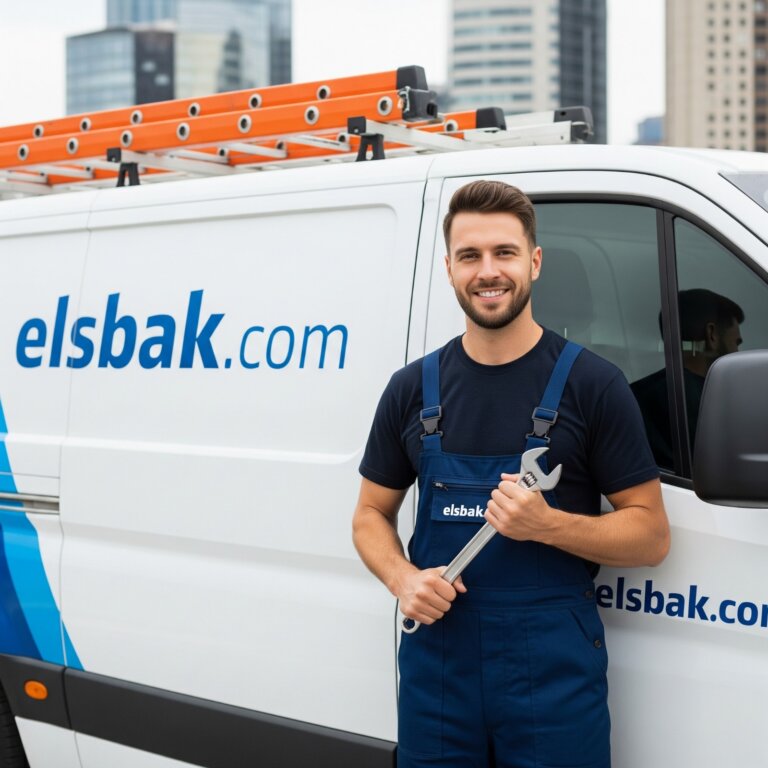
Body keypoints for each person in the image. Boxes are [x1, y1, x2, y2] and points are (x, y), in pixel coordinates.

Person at [352, 180, 670, 768]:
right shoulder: (410, 390)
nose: (487, 271)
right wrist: (402, 579)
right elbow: (370, 515)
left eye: (504, 253)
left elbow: (650, 535)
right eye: (470, 256)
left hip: (552, 673)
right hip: (438, 670)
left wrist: (547, 525)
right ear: (449, 268)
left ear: (535, 261)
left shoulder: (592, 385)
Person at [631, 289, 744, 469]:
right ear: (712, 334)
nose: (738, 353)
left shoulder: (637, 395)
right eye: (736, 343)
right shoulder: (706, 402)